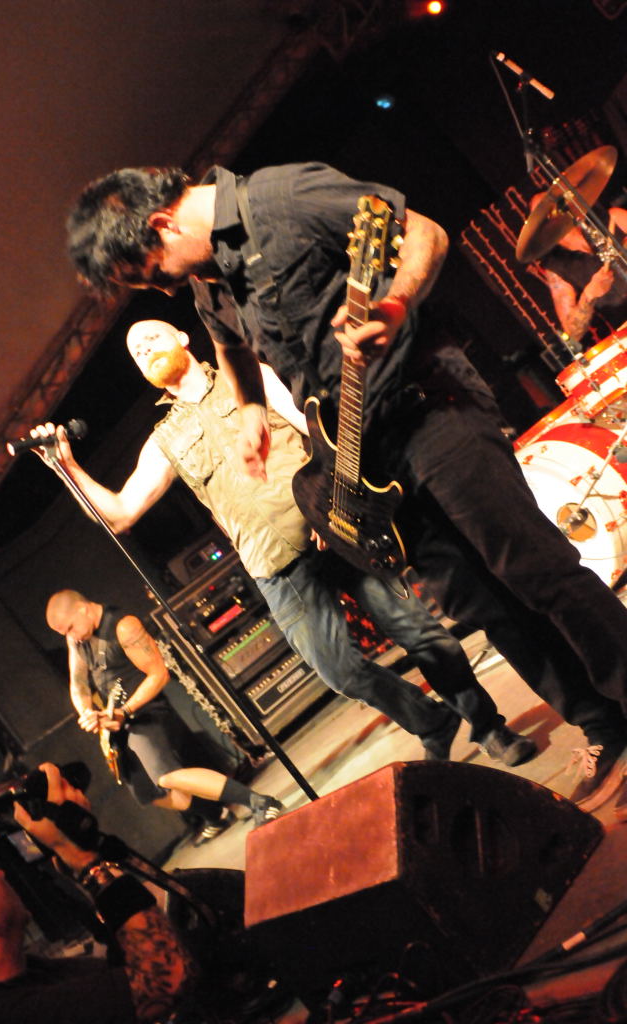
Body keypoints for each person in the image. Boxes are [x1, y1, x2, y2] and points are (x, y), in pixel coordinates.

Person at [64, 162, 627, 816]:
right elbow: (232, 349)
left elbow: (425, 234)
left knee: (534, 571)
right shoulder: (210, 283)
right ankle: (602, 727)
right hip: (365, 453)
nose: (161, 288)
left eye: (151, 272)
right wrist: (249, 410)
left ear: (162, 225)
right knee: (482, 606)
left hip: (428, 406)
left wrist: (395, 302)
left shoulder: (283, 197)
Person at [34, 320, 536, 768]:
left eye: (151, 338)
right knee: (340, 672)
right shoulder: (165, 439)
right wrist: (66, 466)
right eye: (136, 352)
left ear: (183, 338)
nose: (144, 349)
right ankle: (431, 721)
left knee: (420, 633)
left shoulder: (247, 379)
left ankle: (488, 726)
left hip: (331, 527)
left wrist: (331, 498)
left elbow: (318, 431)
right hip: (273, 566)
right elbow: (120, 512)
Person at [0, 762, 193, 1023]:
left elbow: (121, 976)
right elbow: (168, 979)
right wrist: (84, 860)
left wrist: (77, 866)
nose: (0, 873)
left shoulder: (30, 975)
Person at [45, 590, 283, 843]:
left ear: (82, 608)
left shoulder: (123, 626)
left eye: (70, 628)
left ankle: (260, 802)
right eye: (64, 633)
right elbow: (78, 683)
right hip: (119, 722)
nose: (71, 636)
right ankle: (216, 815)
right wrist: (87, 712)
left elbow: (159, 674)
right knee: (146, 792)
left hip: (147, 712)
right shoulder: (77, 641)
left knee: (165, 776)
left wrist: (126, 711)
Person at [531, 195, 627, 350]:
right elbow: (573, 332)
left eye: (555, 205)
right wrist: (589, 295)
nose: (554, 214)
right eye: (543, 215)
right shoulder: (557, 266)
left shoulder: (612, 218)